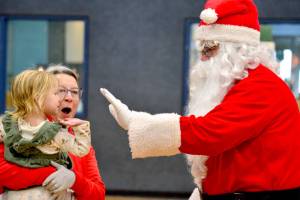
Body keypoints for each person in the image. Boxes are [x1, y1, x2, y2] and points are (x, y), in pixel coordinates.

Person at [100, 0, 300, 200]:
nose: (202, 58)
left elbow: (209, 134)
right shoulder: (239, 85)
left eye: (209, 49)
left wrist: (137, 122)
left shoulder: (261, 86)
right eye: (202, 49)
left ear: (236, 50)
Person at [0, 65, 105, 200]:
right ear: (37, 96)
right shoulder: (14, 131)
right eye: (60, 91)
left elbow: (98, 195)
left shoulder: (80, 145)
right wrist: (49, 173)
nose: (69, 97)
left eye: (74, 91)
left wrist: (75, 180)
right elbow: (3, 175)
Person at [0, 69, 91, 169]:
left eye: (75, 92)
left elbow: (82, 152)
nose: (60, 99)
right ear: (38, 98)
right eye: (56, 93)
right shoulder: (54, 134)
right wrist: (80, 126)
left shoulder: (9, 126)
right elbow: (81, 149)